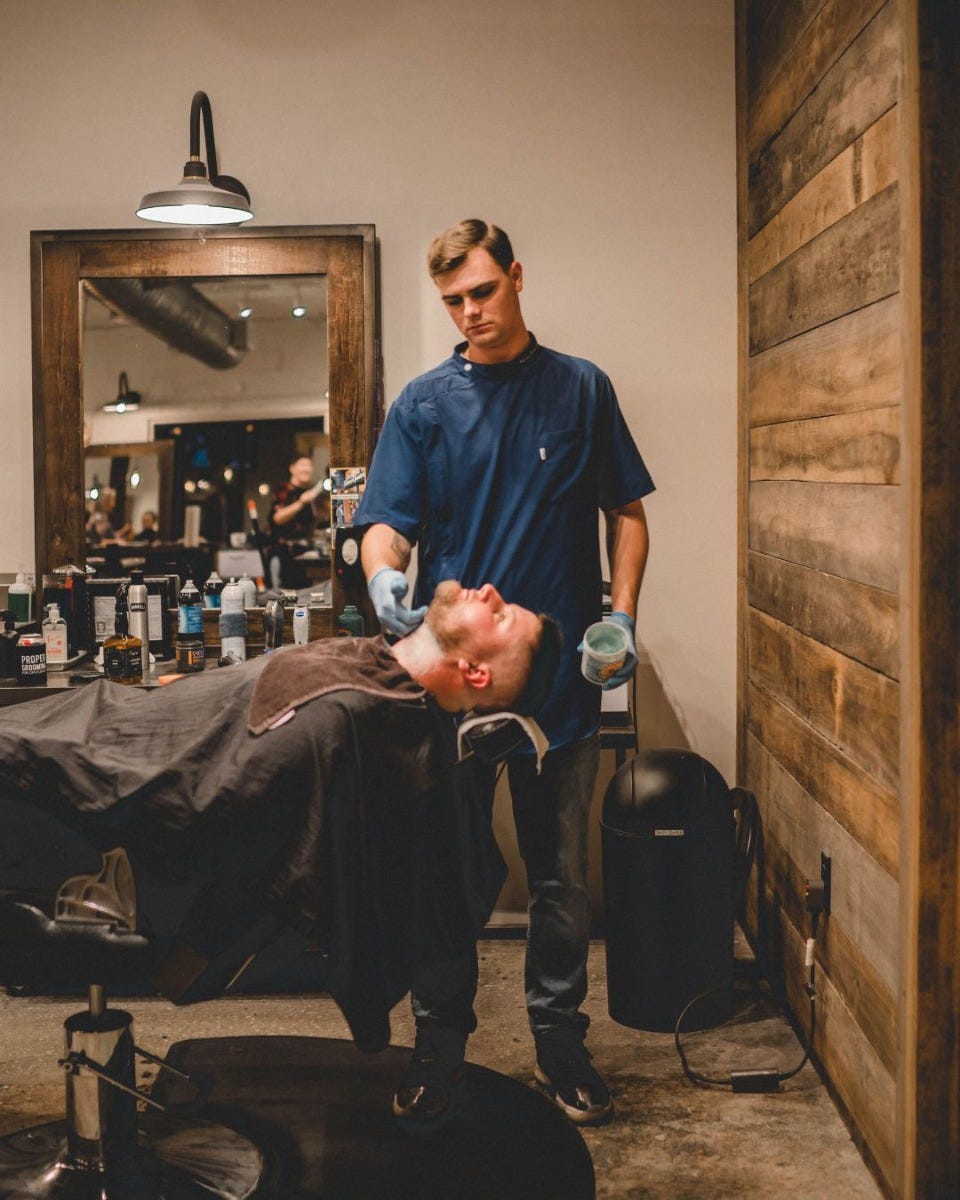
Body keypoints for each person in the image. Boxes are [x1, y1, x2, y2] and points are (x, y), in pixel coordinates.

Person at [355, 218, 654, 1126]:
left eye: (483, 291)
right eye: (453, 300)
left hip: (561, 681)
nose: (472, 312)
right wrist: (381, 577)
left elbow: (627, 516)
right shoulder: (423, 405)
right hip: (456, 687)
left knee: (560, 877)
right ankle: (438, 1047)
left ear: (516, 277)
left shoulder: (580, 390)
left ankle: (560, 1046)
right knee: (446, 873)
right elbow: (384, 522)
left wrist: (622, 616)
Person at [0, 581, 561, 1051]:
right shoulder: (365, 677)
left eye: (503, 615)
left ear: (477, 673)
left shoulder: (349, 720)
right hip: (89, 732)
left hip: (72, 810)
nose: (490, 592)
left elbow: (196, 807)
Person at [267, 455, 325, 588]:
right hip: (284, 556)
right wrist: (301, 502)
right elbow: (277, 519)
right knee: (283, 598)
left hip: (304, 556)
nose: (306, 469)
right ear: (292, 468)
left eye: (309, 465)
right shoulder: (283, 489)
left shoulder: (310, 493)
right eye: (302, 465)